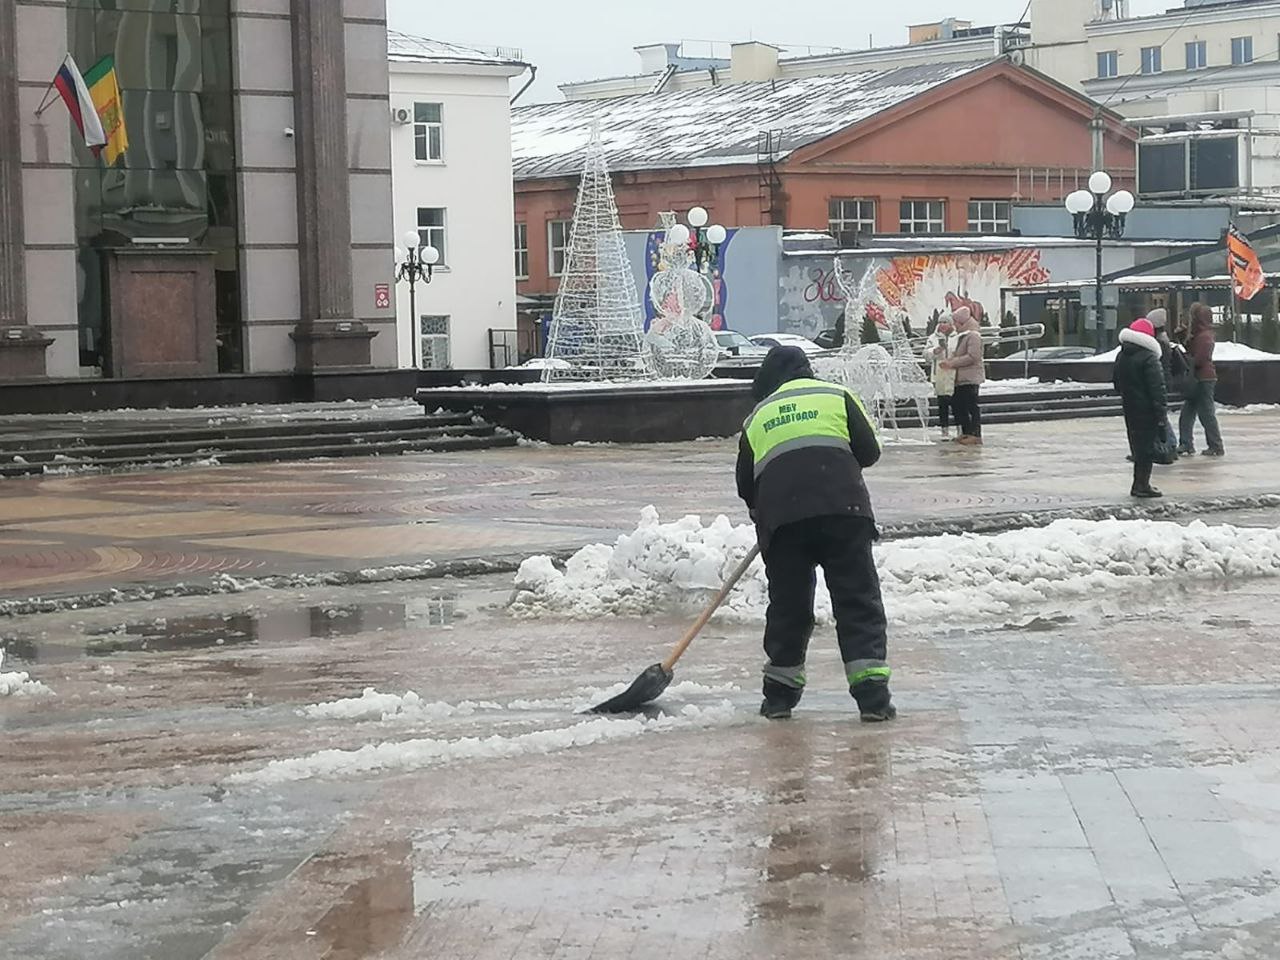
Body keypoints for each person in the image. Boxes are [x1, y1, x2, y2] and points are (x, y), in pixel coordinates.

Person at [736, 346, 895, 724]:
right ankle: (872, 697)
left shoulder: (758, 415)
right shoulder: (837, 396)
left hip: (784, 520)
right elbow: (869, 452)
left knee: (789, 607)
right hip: (844, 511)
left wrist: (765, 510)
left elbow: (745, 482)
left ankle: (778, 698)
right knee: (857, 600)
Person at [1113, 318, 1169, 498]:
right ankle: (1141, 485)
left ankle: (1139, 484)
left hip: (1130, 407)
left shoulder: (1122, 355)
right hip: (1147, 409)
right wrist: (1161, 414)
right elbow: (1157, 389)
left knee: (1137, 446)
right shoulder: (1149, 358)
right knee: (1146, 448)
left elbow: (1116, 384)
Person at [1178, 302, 1225, 457]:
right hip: (1197, 378)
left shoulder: (1205, 337)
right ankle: (1186, 444)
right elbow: (1191, 351)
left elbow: (1199, 359)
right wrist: (1183, 337)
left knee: (1206, 414)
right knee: (1187, 415)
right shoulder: (1199, 335)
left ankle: (1216, 445)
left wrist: (1186, 359)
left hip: (1204, 379)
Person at [941, 306, 986, 445]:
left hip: (970, 377)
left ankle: (975, 434)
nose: (953, 324)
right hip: (960, 378)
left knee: (971, 405)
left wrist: (952, 363)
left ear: (961, 321)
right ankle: (966, 432)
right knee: (959, 405)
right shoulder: (963, 335)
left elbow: (973, 356)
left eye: (955, 321)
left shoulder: (973, 335)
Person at [926, 317, 957, 440]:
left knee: (957, 404)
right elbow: (926, 354)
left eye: (945, 322)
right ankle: (944, 431)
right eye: (940, 322)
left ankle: (960, 430)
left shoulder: (957, 336)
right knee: (942, 403)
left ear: (950, 324)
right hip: (939, 374)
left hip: (954, 374)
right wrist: (936, 350)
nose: (942, 325)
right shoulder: (933, 338)